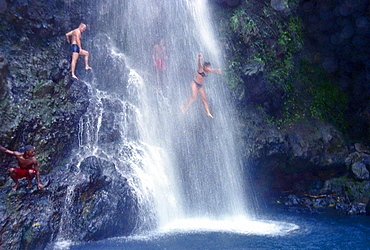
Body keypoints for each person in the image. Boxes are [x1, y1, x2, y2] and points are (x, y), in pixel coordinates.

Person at [181, 53, 222, 118]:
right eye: (207, 66)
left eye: (209, 67)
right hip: (194, 83)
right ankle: (184, 107)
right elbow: (199, 64)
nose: (208, 68)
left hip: (200, 85)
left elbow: (214, 71)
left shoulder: (208, 71)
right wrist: (199, 58)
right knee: (194, 97)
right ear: (205, 66)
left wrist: (218, 71)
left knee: (204, 99)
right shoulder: (201, 69)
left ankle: (208, 112)